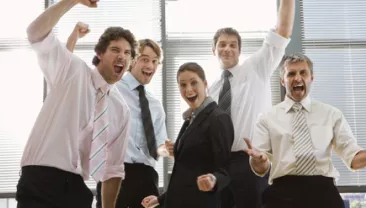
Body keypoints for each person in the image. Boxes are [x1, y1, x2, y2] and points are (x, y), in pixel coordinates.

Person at [16, 1, 137, 208]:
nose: (122, 56)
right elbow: (35, 32)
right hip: (41, 178)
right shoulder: (72, 70)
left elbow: (113, 169)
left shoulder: (121, 110)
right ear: (99, 54)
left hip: (77, 188)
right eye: (115, 49)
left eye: (127, 53)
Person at [244, 52, 366, 208]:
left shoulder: (332, 114)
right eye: (291, 74)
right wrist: (258, 161)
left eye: (303, 73)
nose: (297, 78)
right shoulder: (267, 118)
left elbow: (353, 159)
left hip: (323, 193)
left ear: (311, 78)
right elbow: (260, 168)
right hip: (282, 194)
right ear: (283, 80)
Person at [67, 23, 169, 208]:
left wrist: (167, 149)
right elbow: (72, 71)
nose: (150, 65)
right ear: (133, 60)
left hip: (147, 175)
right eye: (145, 59)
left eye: (155, 61)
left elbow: (158, 145)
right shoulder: (111, 87)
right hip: (116, 173)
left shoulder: (155, 105)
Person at [207, 1, 295, 207]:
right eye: (222, 44)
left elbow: (282, 31)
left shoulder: (256, 68)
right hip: (218, 166)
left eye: (232, 45)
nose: (227, 49)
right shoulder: (211, 90)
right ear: (214, 50)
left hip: (250, 162)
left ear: (239, 51)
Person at [141, 62, 234, 208]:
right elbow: (185, 174)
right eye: (183, 85)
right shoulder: (191, 119)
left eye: (194, 83)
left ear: (205, 84)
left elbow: (225, 170)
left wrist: (213, 180)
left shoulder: (218, 118)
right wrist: (161, 199)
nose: (188, 89)